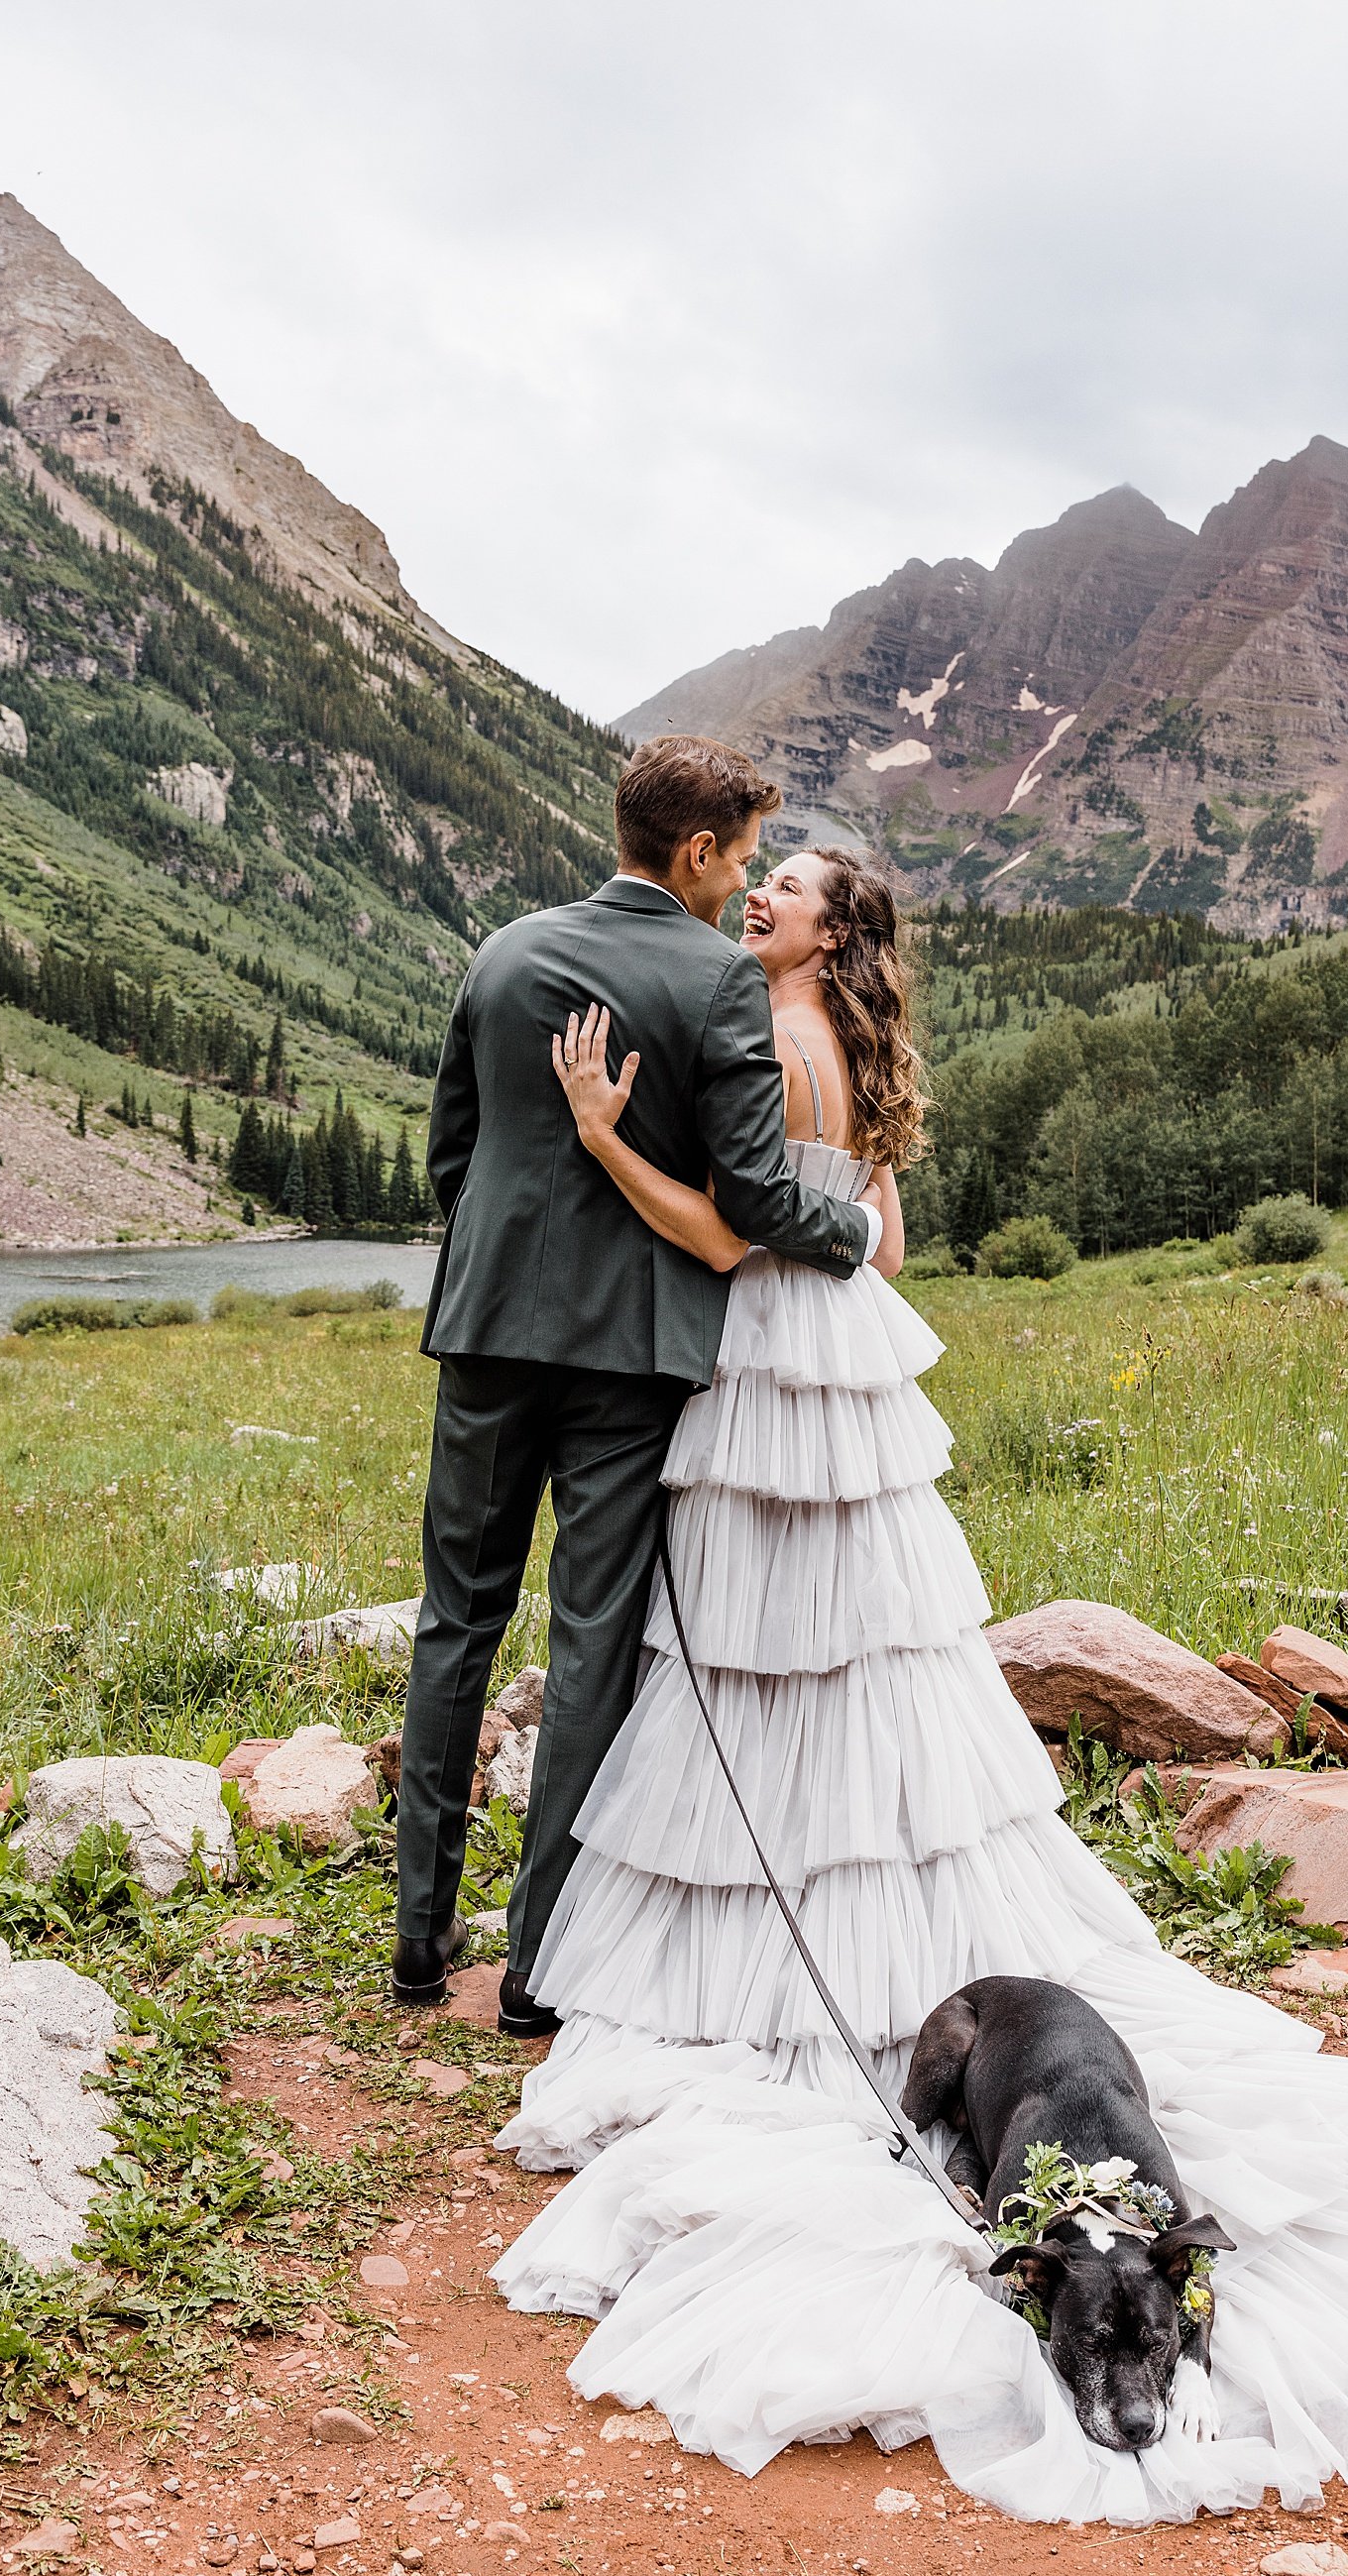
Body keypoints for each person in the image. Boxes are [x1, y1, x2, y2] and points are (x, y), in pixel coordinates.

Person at [489, 835, 1348, 2526]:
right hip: (847, 1364)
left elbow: (735, 1239)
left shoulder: (772, 1034)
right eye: (766, 875)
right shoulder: (856, 1051)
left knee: (771, 1646)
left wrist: (592, 1138)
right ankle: (873, 1889)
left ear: (826, 928)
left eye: (788, 886)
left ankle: (782, 1924)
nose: (766, 898)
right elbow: (875, 1229)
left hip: (776, 1361)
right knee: (864, 1654)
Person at [392, 739, 880, 2032]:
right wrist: (861, 1238)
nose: (745, 883)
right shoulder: (716, 979)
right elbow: (756, 1194)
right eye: (741, 856)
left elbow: (454, 1152)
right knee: (590, 1643)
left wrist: (511, 1262)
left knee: (457, 1624)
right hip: (630, 1360)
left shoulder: (503, 951)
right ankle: (538, 1974)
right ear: (700, 853)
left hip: (489, 1337)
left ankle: (415, 1945)